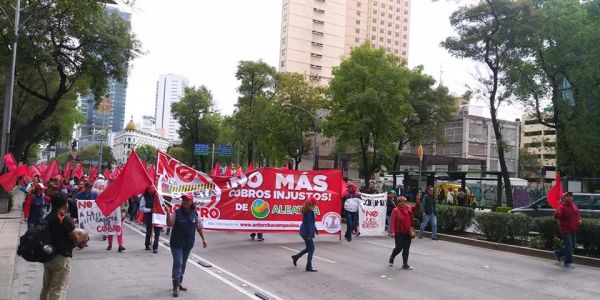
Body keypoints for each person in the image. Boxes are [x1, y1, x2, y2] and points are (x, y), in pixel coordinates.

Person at [167, 193, 207, 297]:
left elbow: (199, 227)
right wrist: (168, 214)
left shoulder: (195, 213)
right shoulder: (176, 212)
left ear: (191, 202)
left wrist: (204, 239)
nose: (184, 202)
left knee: (183, 263)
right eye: (183, 200)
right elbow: (169, 224)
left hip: (188, 243)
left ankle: (179, 282)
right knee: (178, 262)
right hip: (176, 243)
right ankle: (175, 286)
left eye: (187, 200)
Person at [40, 193, 78, 300]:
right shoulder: (63, 217)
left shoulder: (48, 217)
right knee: (58, 289)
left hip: (47, 257)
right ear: (65, 204)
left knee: (46, 287)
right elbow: (75, 237)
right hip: (60, 257)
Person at [389, 195, 420, 269]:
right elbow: (392, 222)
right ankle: (392, 256)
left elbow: (415, 208)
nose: (402, 203)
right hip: (399, 232)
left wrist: (418, 203)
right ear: (398, 202)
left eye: (404, 202)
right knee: (399, 248)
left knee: (406, 249)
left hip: (408, 232)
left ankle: (405, 264)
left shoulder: (408, 208)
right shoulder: (395, 210)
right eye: (400, 202)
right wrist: (392, 231)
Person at [553, 192, 583, 269]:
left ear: (572, 198)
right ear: (564, 198)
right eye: (567, 196)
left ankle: (558, 254)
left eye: (570, 196)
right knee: (569, 246)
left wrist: (580, 220)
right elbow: (556, 217)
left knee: (571, 245)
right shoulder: (562, 207)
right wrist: (557, 214)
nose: (569, 197)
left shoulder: (574, 206)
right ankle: (568, 262)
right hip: (565, 229)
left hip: (573, 229)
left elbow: (578, 215)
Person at [291, 197, 318, 272]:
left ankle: (296, 257)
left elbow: (311, 223)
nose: (316, 205)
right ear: (313, 204)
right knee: (312, 249)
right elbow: (309, 224)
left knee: (308, 248)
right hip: (306, 233)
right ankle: (308, 266)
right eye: (315, 203)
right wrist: (310, 235)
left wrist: (315, 229)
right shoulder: (309, 211)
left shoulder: (308, 210)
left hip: (304, 232)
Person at [141, 186, 162, 253]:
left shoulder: (159, 196)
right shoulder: (144, 197)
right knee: (149, 231)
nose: (151, 192)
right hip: (149, 216)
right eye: (150, 191)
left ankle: (155, 247)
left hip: (158, 217)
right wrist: (150, 210)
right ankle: (147, 244)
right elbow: (141, 208)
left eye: (152, 191)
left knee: (157, 233)